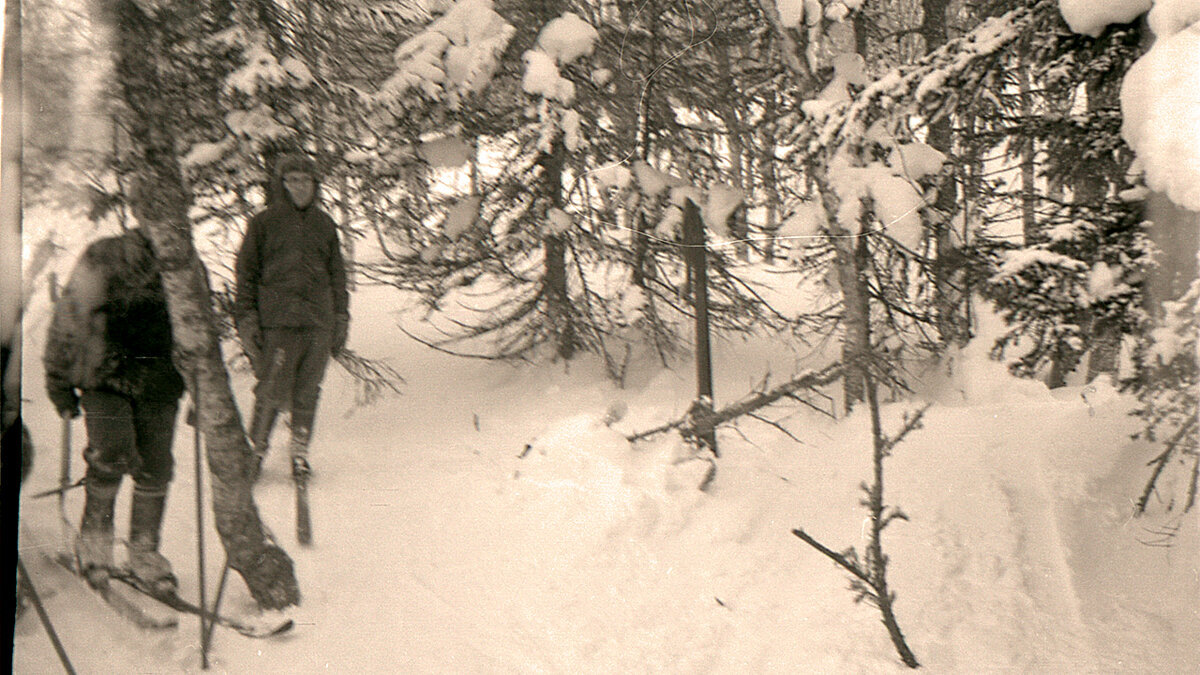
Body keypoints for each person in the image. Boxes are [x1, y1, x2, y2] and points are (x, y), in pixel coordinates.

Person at [44, 226, 186, 592]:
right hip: (105, 376)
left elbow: (197, 327)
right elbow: (69, 318)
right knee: (111, 454)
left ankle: (144, 554)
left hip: (159, 381)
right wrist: (59, 380)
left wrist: (206, 385)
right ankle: (95, 547)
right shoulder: (103, 255)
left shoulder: (182, 258)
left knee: (156, 466)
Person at [235, 153, 349, 482]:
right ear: (281, 185)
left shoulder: (324, 224)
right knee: (271, 388)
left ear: (315, 185)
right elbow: (246, 274)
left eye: (306, 180)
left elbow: (337, 274)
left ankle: (299, 454)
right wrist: (246, 319)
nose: (300, 187)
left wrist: (341, 316)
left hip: (317, 321)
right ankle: (255, 451)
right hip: (278, 322)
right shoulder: (264, 223)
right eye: (293, 180)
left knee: (308, 391)